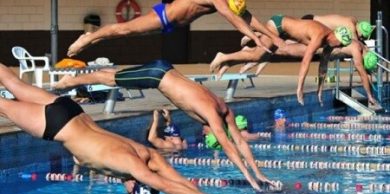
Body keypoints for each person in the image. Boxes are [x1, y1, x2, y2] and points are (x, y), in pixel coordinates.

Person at [0, 63, 225, 194]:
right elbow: (164, 185)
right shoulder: (130, 165)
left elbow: (176, 179)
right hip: (58, 125)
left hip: (72, 111)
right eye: (129, 192)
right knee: (3, 105)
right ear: (136, 184)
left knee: (13, 82)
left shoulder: (146, 154)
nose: (124, 188)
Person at [54, 59, 272, 191]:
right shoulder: (213, 114)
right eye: (208, 133)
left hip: (165, 70)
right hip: (157, 76)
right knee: (111, 79)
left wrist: (258, 173)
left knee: (115, 76)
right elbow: (227, 145)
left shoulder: (224, 109)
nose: (204, 132)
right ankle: (71, 81)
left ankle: (73, 80)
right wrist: (248, 177)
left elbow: (240, 142)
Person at [210, 15, 353, 105]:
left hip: (285, 33)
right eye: (340, 44)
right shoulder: (319, 36)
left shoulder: (329, 44)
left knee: (262, 57)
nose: (339, 47)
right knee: (258, 56)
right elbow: (305, 62)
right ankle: (223, 56)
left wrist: (320, 90)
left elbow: (323, 67)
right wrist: (299, 88)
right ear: (335, 36)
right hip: (278, 26)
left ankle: (228, 62)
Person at [67, 0, 285, 57]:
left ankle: (92, 37)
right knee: (125, 30)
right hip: (164, 17)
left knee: (126, 33)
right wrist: (254, 38)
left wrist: (271, 36)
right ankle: (87, 39)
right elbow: (231, 17)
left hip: (171, 26)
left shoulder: (233, 2)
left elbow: (246, 16)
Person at [300, 14, 374, 41]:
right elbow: (356, 44)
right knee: (291, 42)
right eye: (362, 37)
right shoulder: (351, 27)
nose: (360, 38)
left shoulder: (353, 20)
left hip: (312, 19)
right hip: (311, 24)